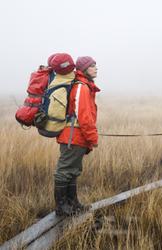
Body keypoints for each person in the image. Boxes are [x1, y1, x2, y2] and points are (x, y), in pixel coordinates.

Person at [53, 56, 101, 216]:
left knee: (73, 170)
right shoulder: (82, 87)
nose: (96, 68)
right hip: (72, 136)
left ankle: (73, 204)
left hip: (77, 137)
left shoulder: (85, 85)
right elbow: (84, 116)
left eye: (95, 65)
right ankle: (61, 207)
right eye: (92, 66)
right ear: (84, 69)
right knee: (65, 170)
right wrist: (93, 138)